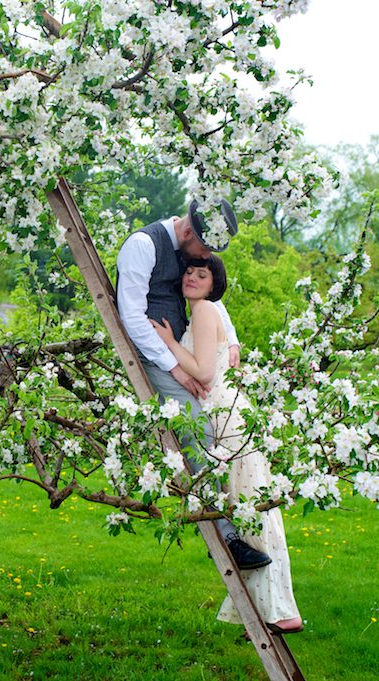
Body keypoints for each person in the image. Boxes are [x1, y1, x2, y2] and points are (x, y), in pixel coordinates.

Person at [151, 254, 303, 635]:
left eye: (201, 275)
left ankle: (282, 611)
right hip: (226, 414)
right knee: (252, 512)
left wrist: (168, 342)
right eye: (188, 271)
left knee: (253, 515)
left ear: (213, 283)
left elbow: (203, 371)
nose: (191, 278)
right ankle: (274, 609)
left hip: (226, 419)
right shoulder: (204, 311)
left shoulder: (203, 311)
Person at [115, 199, 270, 571]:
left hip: (177, 353)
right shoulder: (144, 245)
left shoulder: (185, 248)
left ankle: (232, 521)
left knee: (217, 429)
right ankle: (227, 538)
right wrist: (175, 367)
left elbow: (209, 290)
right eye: (204, 249)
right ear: (189, 233)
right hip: (150, 354)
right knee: (196, 428)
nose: (203, 257)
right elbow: (131, 316)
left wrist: (230, 338)